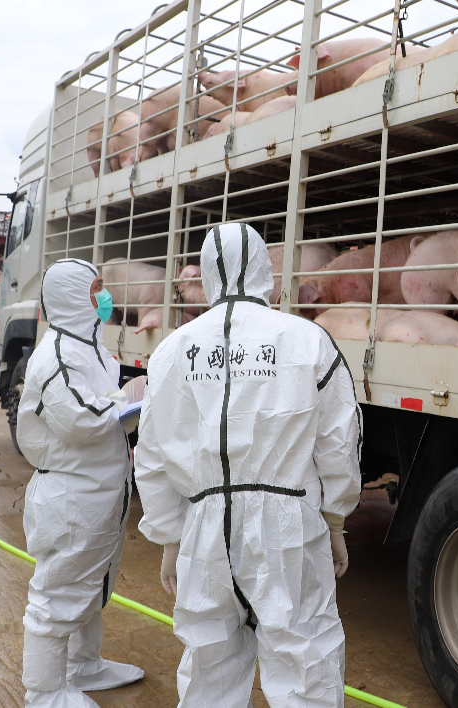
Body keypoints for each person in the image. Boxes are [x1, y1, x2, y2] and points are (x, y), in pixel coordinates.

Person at [134, 223, 361, 707]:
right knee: (305, 663)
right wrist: (336, 520)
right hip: (288, 526)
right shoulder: (307, 340)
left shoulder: (173, 350)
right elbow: (339, 440)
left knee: (208, 670)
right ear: (265, 269)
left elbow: (150, 456)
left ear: (206, 275)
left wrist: (171, 536)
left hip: (205, 529)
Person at [15, 259, 146, 707]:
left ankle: (83, 666)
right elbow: (79, 419)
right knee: (58, 596)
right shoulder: (56, 356)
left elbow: (101, 403)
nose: (104, 298)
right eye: (97, 289)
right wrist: (130, 404)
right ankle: (45, 692)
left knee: (91, 585)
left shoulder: (90, 348)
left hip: (99, 488)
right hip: (72, 495)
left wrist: (127, 397)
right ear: (73, 296)